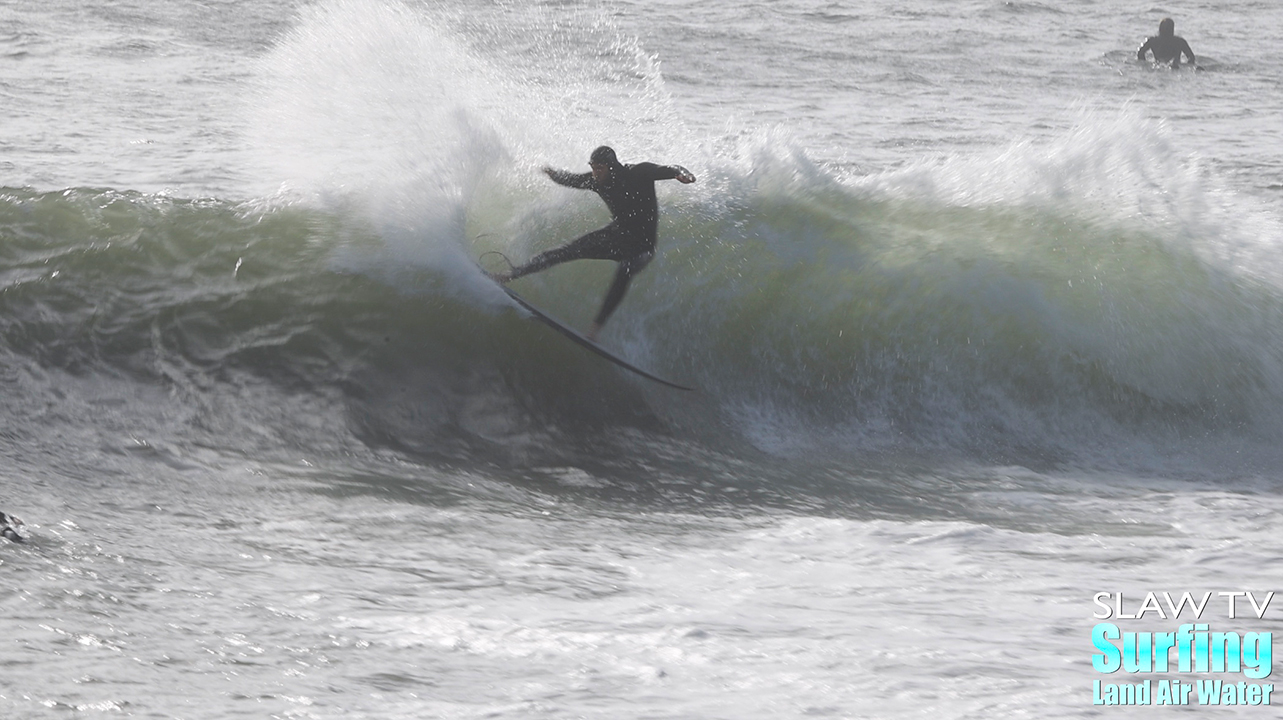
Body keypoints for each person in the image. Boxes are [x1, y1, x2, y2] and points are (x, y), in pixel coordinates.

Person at [490, 146, 696, 341]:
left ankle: (594, 330)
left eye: (600, 168)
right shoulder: (596, 181)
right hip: (617, 236)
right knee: (567, 251)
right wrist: (551, 173)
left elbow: (670, 169)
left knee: (625, 270)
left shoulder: (638, 173)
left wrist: (683, 174)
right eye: (593, 168)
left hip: (643, 246)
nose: (596, 173)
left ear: (612, 166)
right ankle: (511, 274)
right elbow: (571, 179)